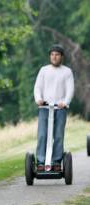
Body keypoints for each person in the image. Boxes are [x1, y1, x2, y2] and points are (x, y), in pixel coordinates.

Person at [34, 44, 74, 172]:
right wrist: (39, 99)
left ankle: (56, 161)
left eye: (57, 55)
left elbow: (70, 90)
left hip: (60, 109)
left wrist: (65, 102)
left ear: (61, 56)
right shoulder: (44, 70)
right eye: (52, 55)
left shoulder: (67, 71)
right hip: (45, 108)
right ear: (49, 56)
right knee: (42, 135)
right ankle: (40, 162)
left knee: (58, 136)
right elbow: (37, 88)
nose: (54, 57)